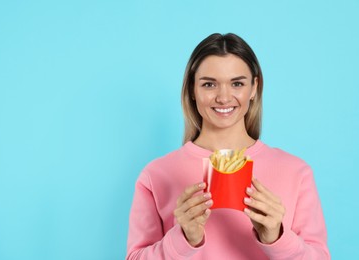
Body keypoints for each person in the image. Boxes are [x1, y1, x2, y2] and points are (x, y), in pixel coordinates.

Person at [126, 33, 330, 259]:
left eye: (237, 83)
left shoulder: (296, 172)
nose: (224, 97)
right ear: (193, 90)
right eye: (209, 84)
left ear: (254, 87)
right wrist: (183, 239)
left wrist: (277, 238)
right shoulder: (156, 175)